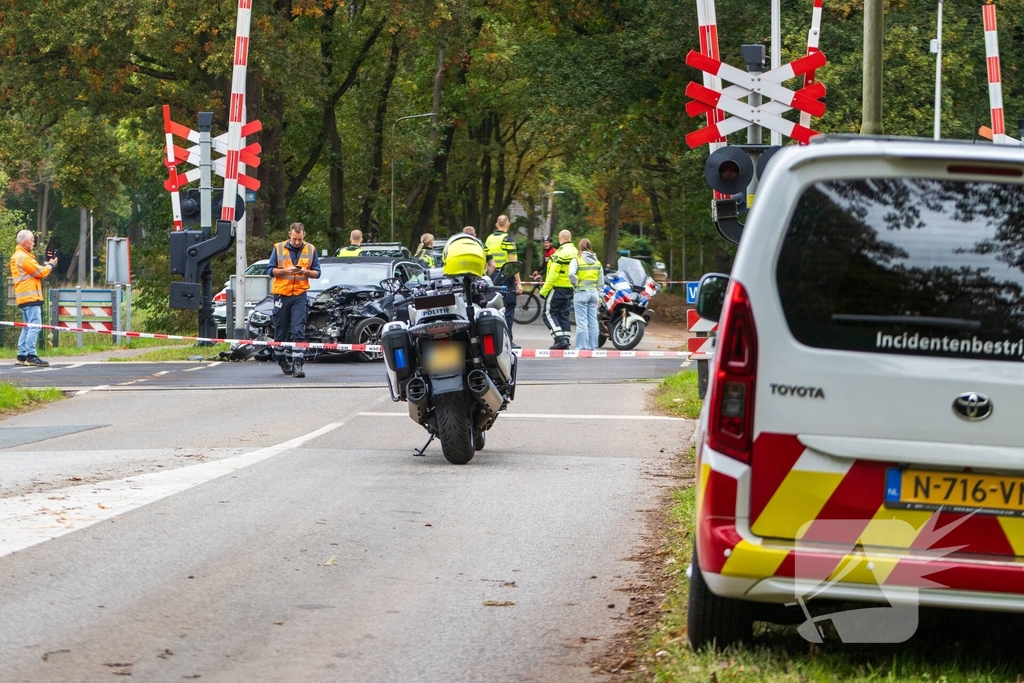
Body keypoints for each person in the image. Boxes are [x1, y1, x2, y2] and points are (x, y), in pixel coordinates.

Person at [267, 222, 321, 378]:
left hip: (299, 295)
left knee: (298, 329)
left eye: (299, 239)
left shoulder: (311, 249)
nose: (297, 242)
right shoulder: (278, 248)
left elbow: (318, 272)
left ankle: (298, 364)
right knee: (281, 330)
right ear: (289, 234)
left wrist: (306, 272)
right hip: (281, 295)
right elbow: (270, 270)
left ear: (304, 234)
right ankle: (281, 359)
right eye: (294, 239)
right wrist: (285, 271)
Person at [9, 230, 57, 366]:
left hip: (23, 297)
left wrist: (46, 265)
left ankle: (21, 354)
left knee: (27, 326)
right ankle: (31, 355)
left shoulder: (17, 256)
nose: (33, 243)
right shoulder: (24, 257)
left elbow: (33, 271)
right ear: (25, 242)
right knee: (35, 326)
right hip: (30, 296)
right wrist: (51, 265)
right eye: (32, 240)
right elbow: (40, 272)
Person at [484, 215, 523, 346]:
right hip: (506, 276)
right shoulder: (507, 239)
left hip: (492, 277)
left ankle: (496, 339)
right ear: (508, 224)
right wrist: (518, 283)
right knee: (508, 309)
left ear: (496, 225)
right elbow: (513, 263)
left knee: (495, 308)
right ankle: (508, 341)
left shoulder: (489, 239)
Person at [538, 229, 578, 350]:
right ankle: (565, 339)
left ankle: (559, 339)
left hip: (558, 287)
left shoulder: (559, 253)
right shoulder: (577, 252)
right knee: (563, 314)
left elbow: (553, 275)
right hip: (570, 288)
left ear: (560, 239)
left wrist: (544, 290)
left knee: (548, 313)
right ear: (570, 238)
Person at [569, 238, 603, 352]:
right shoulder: (598, 262)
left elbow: (571, 274)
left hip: (581, 293)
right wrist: (600, 297)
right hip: (594, 294)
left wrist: (575, 283)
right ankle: (593, 347)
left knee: (582, 322)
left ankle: (580, 347)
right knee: (593, 321)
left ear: (579, 247)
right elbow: (601, 282)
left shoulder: (577, 260)